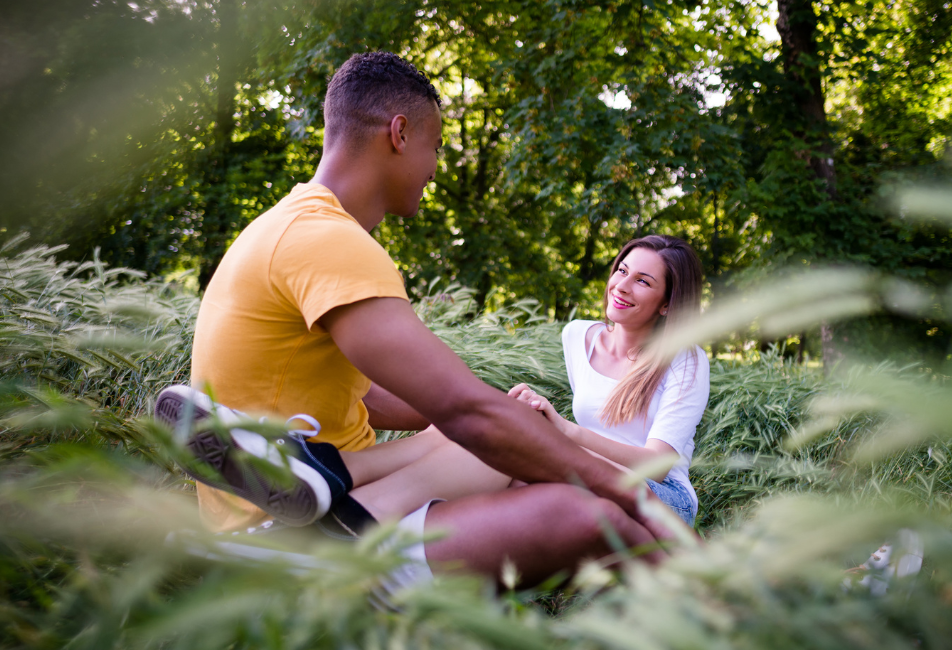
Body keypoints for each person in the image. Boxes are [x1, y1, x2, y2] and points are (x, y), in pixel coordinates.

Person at [157, 51, 675, 592]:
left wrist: (500, 415)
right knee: (599, 521)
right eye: (436, 145)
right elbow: (468, 414)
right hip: (294, 527)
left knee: (499, 443)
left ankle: (320, 472)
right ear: (400, 133)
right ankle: (725, 609)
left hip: (309, 495)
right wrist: (634, 495)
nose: (434, 167)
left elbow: (376, 397)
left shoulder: (286, 223)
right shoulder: (329, 241)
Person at [508, 235, 709, 526]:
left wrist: (565, 431)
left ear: (666, 304)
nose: (622, 286)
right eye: (622, 271)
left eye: (643, 281)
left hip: (661, 495)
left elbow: (656, 467)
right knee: (513, 463)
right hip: (586, 467)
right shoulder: (578, 337)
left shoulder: (685, 360)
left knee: (555, 487)